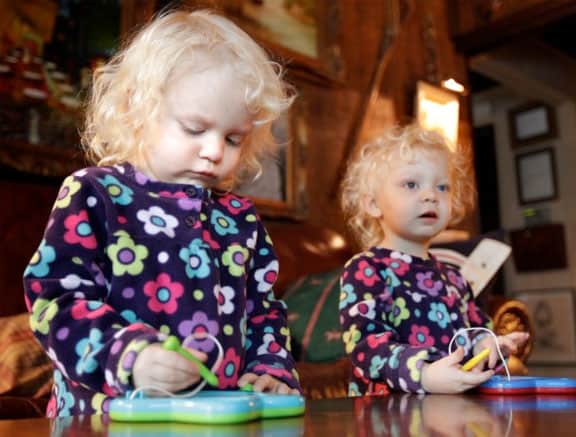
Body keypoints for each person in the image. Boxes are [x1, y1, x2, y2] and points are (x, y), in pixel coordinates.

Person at [23, 9, 300, 417]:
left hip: (223, 419)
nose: (214, 151)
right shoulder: (94, 194)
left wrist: (270, 368)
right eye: (194, 129)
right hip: (103, 421)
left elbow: (263, 310)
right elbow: (55, 300)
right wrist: (128, 356)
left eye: (233, 138)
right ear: (138, 107)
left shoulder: (240, 216)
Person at [339, 124, 529, 396]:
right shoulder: (365, 269)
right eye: (411, 184)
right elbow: (367, 348)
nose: (430, 195)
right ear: (373, 204)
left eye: (442, 187)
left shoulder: (454, 276)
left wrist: (489, 344)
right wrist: (424, 374)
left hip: (456, 410)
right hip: (389, 416)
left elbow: (474, 330)